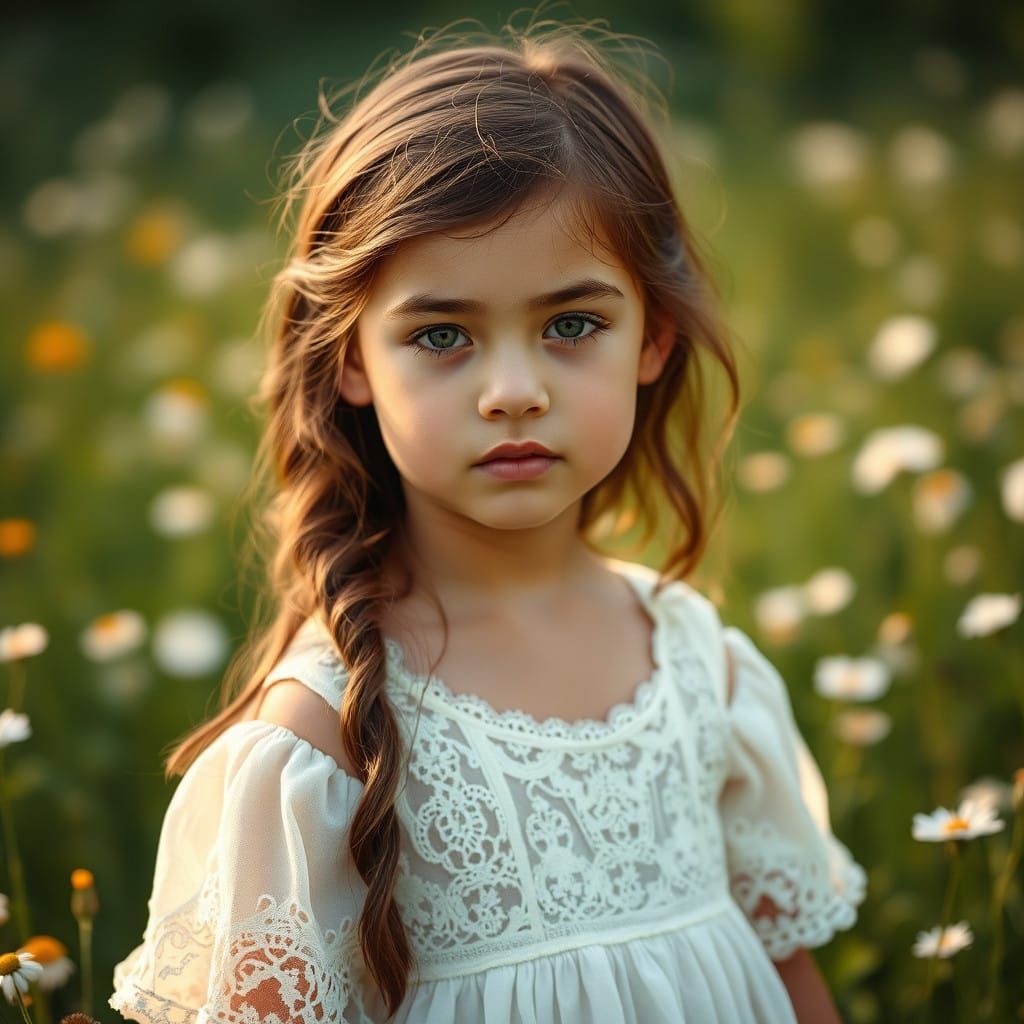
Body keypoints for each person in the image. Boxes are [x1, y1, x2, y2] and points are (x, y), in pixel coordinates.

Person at [108, 13, 866, 1024]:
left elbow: (788, 979)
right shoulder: (320, 739)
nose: (513, 390)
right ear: (350, 362)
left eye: (571, 325)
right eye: (441, 335)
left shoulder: (700, 667)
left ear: (653, 335)